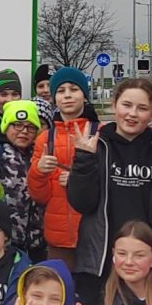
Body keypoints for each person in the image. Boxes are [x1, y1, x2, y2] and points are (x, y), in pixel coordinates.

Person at [66, 77, 152, 305]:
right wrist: (83, 160)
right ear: (114, 106)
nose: (132, 114)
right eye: (127, 105)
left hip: (147, 265)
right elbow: (82, 203)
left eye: (142, 108)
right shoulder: (96, 146)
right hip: (100, 262)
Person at [28, 69, 101, 270]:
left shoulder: (100, 132)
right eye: (61, 91)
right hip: (57, 238)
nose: (67, 95)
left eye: (74, 89)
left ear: (84, 96)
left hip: (93, 235)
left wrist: (79, 180)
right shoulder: (45, 138)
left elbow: (109, 184)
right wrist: (38, 171)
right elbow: (40, 196)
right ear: (54, 98)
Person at [0, 98, 45, 258]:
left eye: (30, 127)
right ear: (6, 127)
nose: (24, 131)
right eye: (17, 125)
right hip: (7, 239)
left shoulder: (42, 152)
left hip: (38, 241)